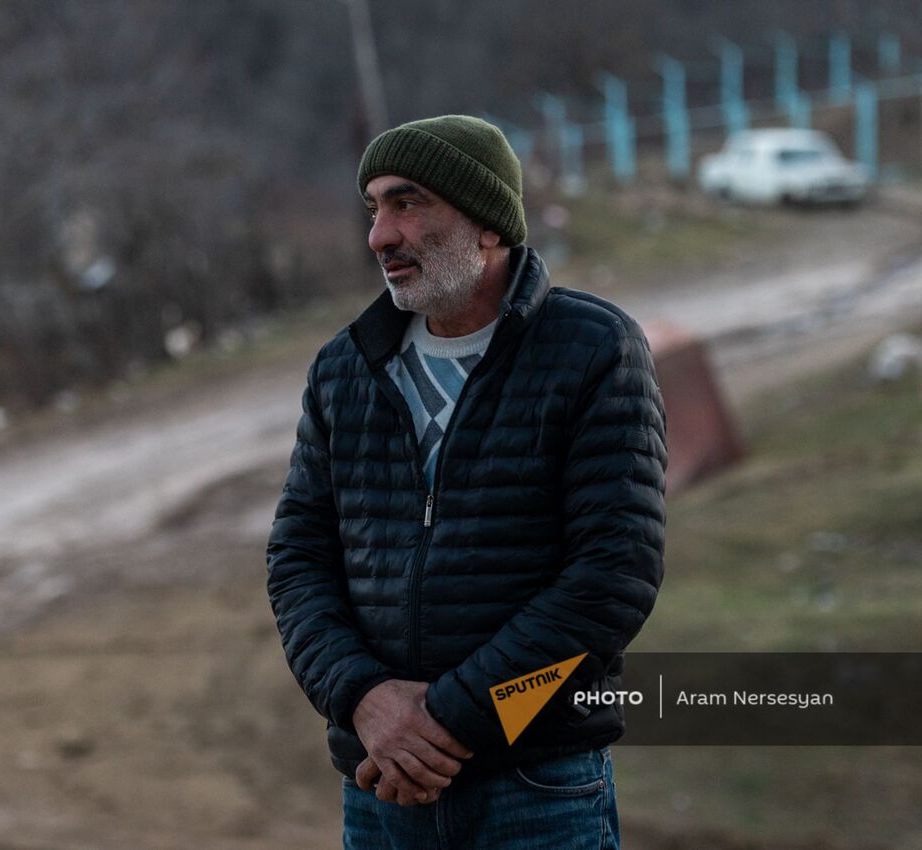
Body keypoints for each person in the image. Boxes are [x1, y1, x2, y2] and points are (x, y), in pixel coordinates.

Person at [266, 115, 667, 849]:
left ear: (487, 226)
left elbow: (614, 576)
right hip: (381, 790)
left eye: (407, 203)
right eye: (374, 209)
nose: (379, 236)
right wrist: (364, 700)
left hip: (537, 787)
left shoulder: (593, 351)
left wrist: (450, 715)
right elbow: (297, 563)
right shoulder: (343, 369)